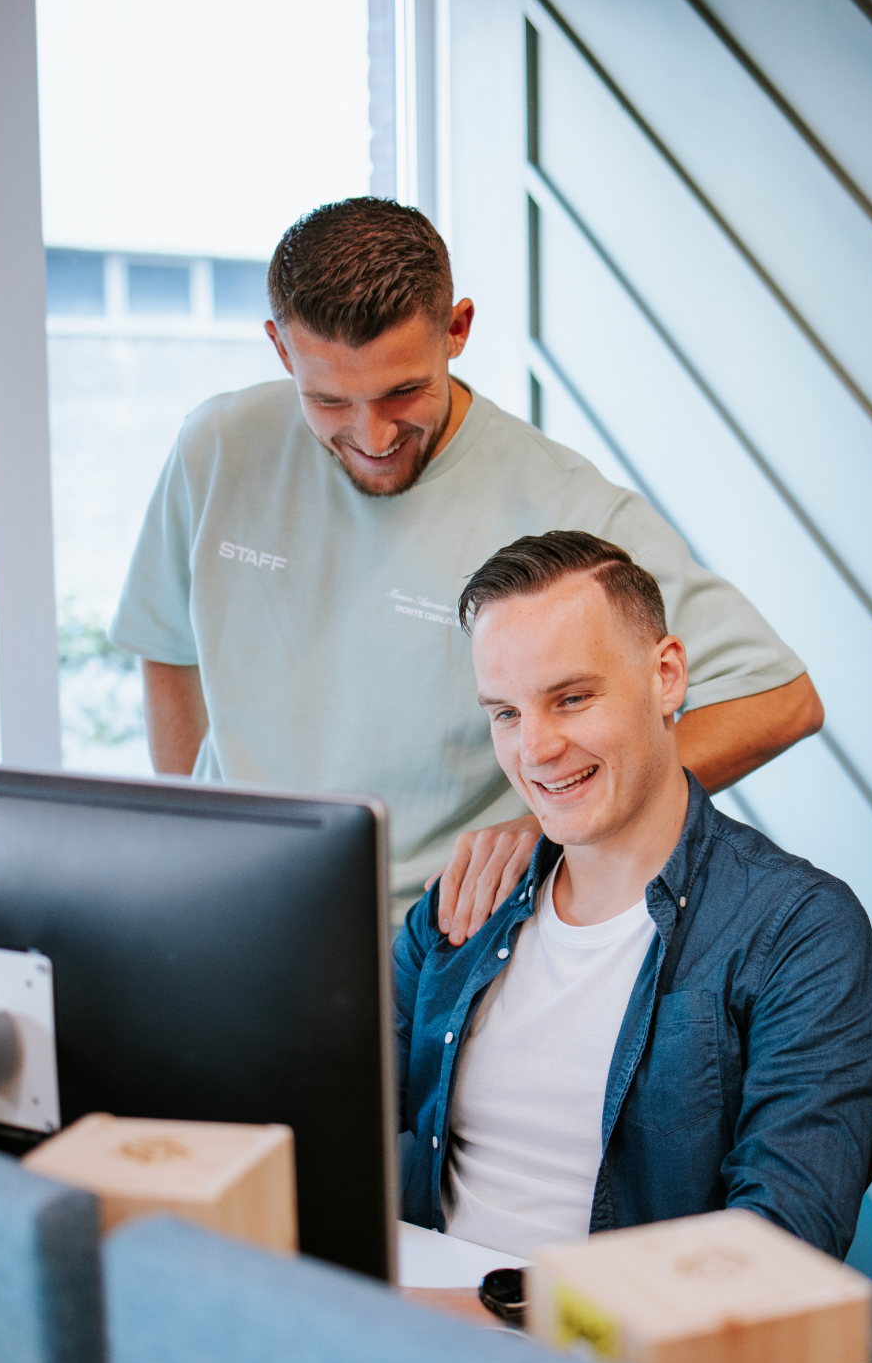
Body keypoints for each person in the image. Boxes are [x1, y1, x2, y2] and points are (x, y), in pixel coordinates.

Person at [109, 198, 822, 939]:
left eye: (402, 392)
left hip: (429, 940)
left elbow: (779, 699)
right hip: (230, 914)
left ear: (457, 330)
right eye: (328, 401)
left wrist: (545, 820)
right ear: (282, 351)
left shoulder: (560, 502)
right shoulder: (216, 448)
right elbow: (168, 648)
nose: (372, 435)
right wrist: (192, 844)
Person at [392, 532, 872, 1261]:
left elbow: (782, 1249)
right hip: (413, 1326)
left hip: (613, 1358)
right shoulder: (465, 901)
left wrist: (501, 1316)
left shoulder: (798, 930)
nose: (536, 749)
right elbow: (325, 1114)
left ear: (668, 677)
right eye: (506, 713)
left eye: (573, 698)